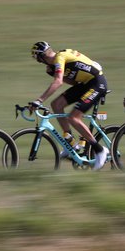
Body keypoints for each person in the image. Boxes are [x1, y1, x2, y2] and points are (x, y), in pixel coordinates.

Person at [30, 41, 110, 170]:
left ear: (40, 57)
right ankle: (70, 143)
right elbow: (72, 82)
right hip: (84, 85)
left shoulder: (60, 57)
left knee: (74, 118)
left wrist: (39, 100)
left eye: (37, 58)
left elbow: (58, 82)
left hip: (96, 83)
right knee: (56, 104)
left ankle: (100, 150)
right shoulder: (53, 66)